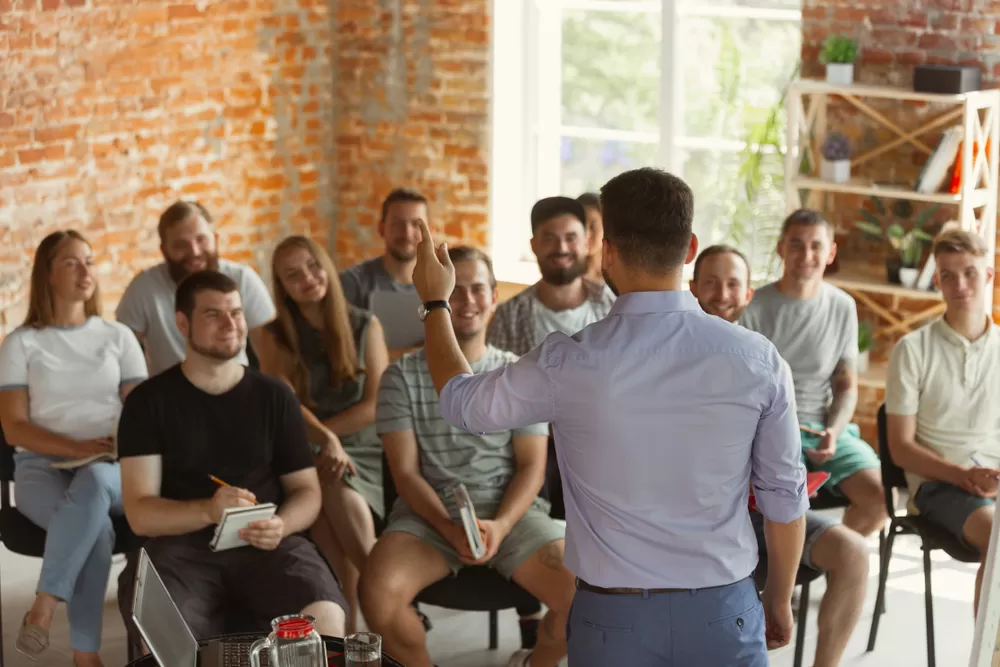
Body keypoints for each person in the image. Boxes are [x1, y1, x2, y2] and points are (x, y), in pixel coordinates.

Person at [412, 168, 808, 666]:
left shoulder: (568, 361)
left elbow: (460, 403)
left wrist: (434, 302)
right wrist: (777, 595)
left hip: (612, 618)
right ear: (690, 248)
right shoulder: (758, 359)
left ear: (608, 251)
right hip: (723, 609)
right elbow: (784, 497)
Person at [360, 247, 572, 667]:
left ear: (495, 298)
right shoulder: (399, 377)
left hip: (514, 514)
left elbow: (532, 468)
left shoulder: (517, 370)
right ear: (435, 300)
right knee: (376, 596)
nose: (468, 301)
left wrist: (501, 524)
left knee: (587, 599)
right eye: (457, 290)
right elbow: (403, 473)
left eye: (479, 289)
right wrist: (448, 525)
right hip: (429, 516)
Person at [116, 270, 346, 640]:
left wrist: (282, 526)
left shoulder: (275, 396)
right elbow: (140, 514)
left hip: (269, 542)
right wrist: (208, 510)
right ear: (181, 323)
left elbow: (307, 491)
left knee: (326, 621)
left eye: (236, 313)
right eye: (213, 314)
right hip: (180, 549)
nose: (230, 324)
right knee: (164, 637)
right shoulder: (148, 402)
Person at [691, 244, 869, 667]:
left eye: (733, 284)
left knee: (854, 552)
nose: (721, 293)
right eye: (711, 282)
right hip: (704, 523)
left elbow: (783, 476)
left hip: (762, 512)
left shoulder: (765, 364)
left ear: (748, 294)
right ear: (693, 288)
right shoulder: (678, 356)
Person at [0, 231, 147, 667]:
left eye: (90, 261)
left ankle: (44, 604)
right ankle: (87, 656)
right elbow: (14, 427)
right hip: (39, 467)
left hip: (111, 467)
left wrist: (106, 448)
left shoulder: (118, 337)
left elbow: (142, 413)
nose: (87, 272)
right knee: (94, 528)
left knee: (97, 481)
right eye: (71, 263)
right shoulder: (20, 343)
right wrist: (73, 445)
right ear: (47, 274)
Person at [257, 235, 388, 634]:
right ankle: (383, 595)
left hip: (359, 449)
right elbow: (286, 404)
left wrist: (328, 440)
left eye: (313, 266)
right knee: (326, 480)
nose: (308, 278)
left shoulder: (365, 324)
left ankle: (356, 617)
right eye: (293, 275)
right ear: (282, 286)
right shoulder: (272, 334)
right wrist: (323, 442)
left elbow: (373, 405)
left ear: (327, 266)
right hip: (301, 446)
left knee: (331, 485)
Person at [741, 208, 888, 537]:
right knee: (774, 507)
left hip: (823, 430)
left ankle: (832, 561)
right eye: (796, 245)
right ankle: (790, 568)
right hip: (766, 433)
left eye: (816, 246)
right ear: (781, 248)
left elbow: (846, 383)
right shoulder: (754, 305)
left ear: (831, 252)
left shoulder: (842, 306)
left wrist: (834, 432)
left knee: (880, 498)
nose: (806, 255)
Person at [886, 228, 1000, 617]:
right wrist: (963, 476)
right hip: (940, 487)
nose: (959, 283)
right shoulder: (913, 350)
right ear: (937, 281)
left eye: (969, 272)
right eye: (947, 275)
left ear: (989, 275)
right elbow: (900, 447)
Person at [115, 200, 276, 376]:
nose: (195, 251)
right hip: (170, 396)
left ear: (215, 238)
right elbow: (123, 353)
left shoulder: (243, 278)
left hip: (237, 386)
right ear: (164, 250)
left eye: (201, 239)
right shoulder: (144, 288)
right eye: (180, 245)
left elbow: (271, 352)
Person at [488, 196, 614, 357]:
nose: (561, 248)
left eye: (571, 238)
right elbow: (494, 379)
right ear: (533, 245)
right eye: (549, 238)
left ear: (586, 243)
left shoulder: (614, 307)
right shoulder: (508, 317)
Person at [339, 188, 427, 310]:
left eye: (417, 224)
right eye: (397, 224)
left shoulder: (442, 286)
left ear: (430, 230)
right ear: (381, 228)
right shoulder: (352, 283)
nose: (407, 233)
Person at [577, 192, 604, 282]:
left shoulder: (620, 277)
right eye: (580, 226)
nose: (586, 234)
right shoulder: (567, 275)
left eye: (592, 227)